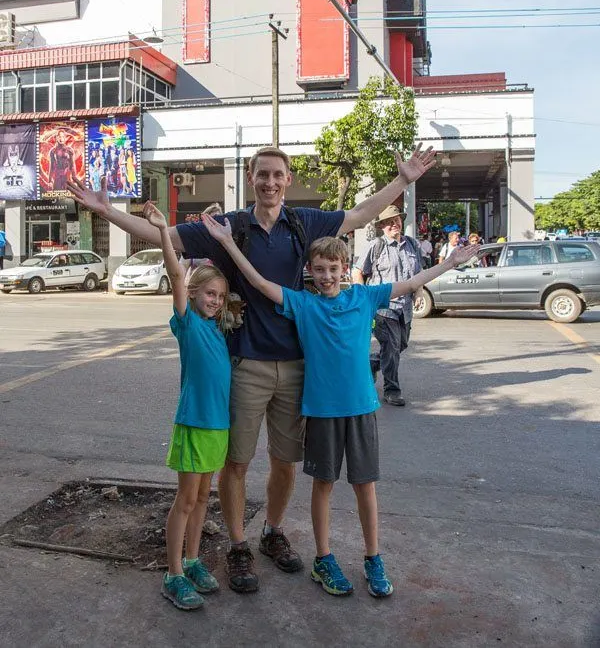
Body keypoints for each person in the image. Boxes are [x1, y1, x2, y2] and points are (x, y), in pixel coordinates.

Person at [67, 142, 436, 593]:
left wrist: (402, 181)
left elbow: (358, 215)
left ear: (288, 179)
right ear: (250, 177)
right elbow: (163, 238)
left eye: (278, 174)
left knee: (284, 462)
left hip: (296, 367)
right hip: (244, 364)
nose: (271, 182)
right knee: (236, 464)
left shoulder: (302, 222)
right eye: (263, 174)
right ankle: (238, 544)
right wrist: (108, 211)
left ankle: (272, 531)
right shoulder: (230, 227)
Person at [202, 213, 478, 598]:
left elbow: (412, 282)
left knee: (365, 486)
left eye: (333, 268)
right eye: (319, 270)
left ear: (345, 268)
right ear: (309, 273)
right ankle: (324, 558)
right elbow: (260, 283)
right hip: (322, 412)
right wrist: (229, 244)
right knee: (324, 485)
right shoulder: (302, 304)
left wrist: (449, 262)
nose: (327, 276)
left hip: (362, 408)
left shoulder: (364, 298)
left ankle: (373, 557)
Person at [142, 200, 231, 612]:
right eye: (208, 294)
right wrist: (164, 231)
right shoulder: (188, 323)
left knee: (204, 499)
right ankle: (173, 574)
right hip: (193, 424)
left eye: (220, 296)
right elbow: (177, 274)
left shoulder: (217, 330)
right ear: (193, 294)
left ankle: (193, 561)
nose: (214, 300)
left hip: (218, 428)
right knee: (187, 500)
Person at [352, 205, 422, 407]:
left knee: (401, 345)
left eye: (397, 219)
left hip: (405, 308)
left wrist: (417, 292)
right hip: (383, 308)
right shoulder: (376, 246)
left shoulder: (412, 245)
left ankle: (370, 363)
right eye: (389, 221)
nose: (394, 224)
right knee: (391, 347)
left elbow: (418, 275)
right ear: (382, 226)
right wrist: (361, 296)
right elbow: (358, 271)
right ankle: (392, 390)